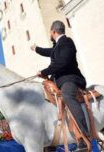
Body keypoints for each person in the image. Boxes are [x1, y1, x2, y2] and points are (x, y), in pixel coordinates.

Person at [31, 20, 89, 150]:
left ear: (53, 32)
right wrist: (36, 49)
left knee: (67, 95)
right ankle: (53, 138)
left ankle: (83, 136)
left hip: (70, 79)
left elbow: (62, 62)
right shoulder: (57, 46)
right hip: (58, 80)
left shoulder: (67, 42)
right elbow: (49, 52)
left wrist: (44, 71)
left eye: (50, 33)